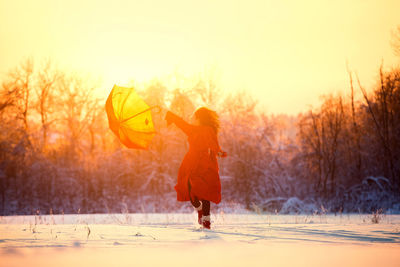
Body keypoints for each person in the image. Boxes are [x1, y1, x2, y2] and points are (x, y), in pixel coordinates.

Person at [165, 107, 227, 229]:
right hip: (190, 162)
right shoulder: (193, 130)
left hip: (204, 163)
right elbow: (182, 124)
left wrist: (219, 152)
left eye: (195, 117)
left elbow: (213, 144)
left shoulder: (208, 130)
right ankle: (199, 211)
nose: (193, 119)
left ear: (200, 118)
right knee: (189, 188)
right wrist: (171, 116)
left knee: (205, 192)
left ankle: (206, 222)